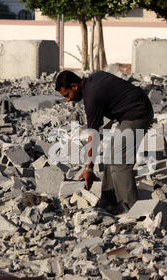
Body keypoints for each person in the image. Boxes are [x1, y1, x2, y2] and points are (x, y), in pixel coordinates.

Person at [55, 70, 154, 214]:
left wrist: (88, 168)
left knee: (120, 160)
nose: (68, 100)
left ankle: (130, 209)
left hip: (138, 113)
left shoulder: (92, 96)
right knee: (111, 155)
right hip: (130, 112)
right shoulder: (93, 79)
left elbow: (94, 135)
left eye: (67, 95)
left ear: (75, 86)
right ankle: (109, 202)